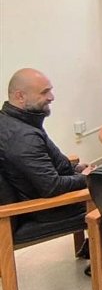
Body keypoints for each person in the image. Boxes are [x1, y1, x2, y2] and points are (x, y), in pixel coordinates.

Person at [0, 68, 93, 222]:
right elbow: (51, 187)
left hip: (43, 196)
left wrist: (73, 168)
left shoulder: (13, 122)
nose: (51, 97)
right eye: (44, 92)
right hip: (48, 209)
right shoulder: (23, 137)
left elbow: (37, 167)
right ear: (20, 96)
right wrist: (86, 178)